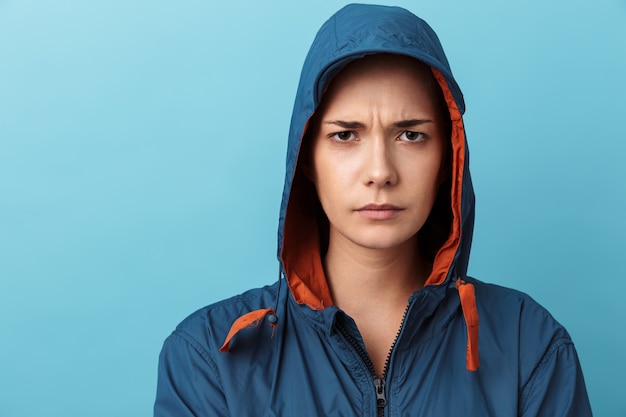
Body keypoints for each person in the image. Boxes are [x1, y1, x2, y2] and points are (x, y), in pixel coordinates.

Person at [154, 4, 592, 416]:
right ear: (306, 158)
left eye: (411, 135)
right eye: (346, 135)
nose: (380, 172)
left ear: (449, 159)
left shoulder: (528, 344)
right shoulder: (209, 355)